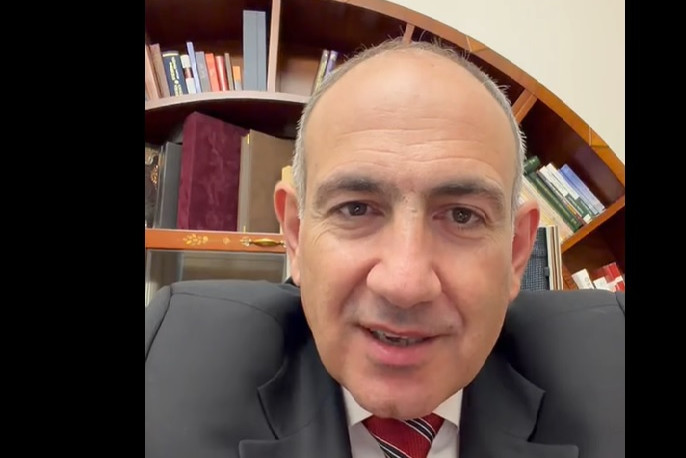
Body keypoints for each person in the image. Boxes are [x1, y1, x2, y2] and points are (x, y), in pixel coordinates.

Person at [145, 38, 625, 458]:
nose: (405, 284)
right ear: (295, 235)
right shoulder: (168, 365)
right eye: (356, 209)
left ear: (517, 251)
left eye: (462, 215)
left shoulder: (613, 368)